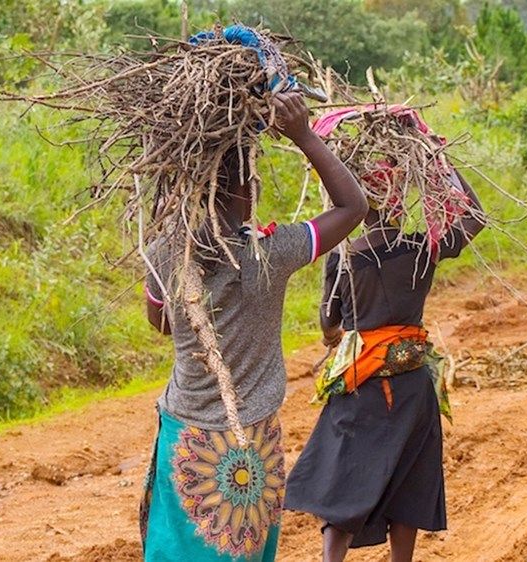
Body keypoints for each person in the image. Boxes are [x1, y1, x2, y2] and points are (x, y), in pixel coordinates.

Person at [139, 92, 368, 562]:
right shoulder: (272, 253)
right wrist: (304, 136)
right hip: (249, 442)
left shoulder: (165, 249)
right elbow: (353, 207)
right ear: (248, 189)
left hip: (183, 433)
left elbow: (160, 321)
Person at [283, 170, 485, 562]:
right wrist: (443, 167)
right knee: (409, 478)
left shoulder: (346, 256)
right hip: (412, 385)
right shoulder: (422, 248)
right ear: (398, 200)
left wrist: (332, 338)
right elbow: (475, 216)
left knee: (343, 477)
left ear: (360, 202)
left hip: (361, 383)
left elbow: (329, 320)